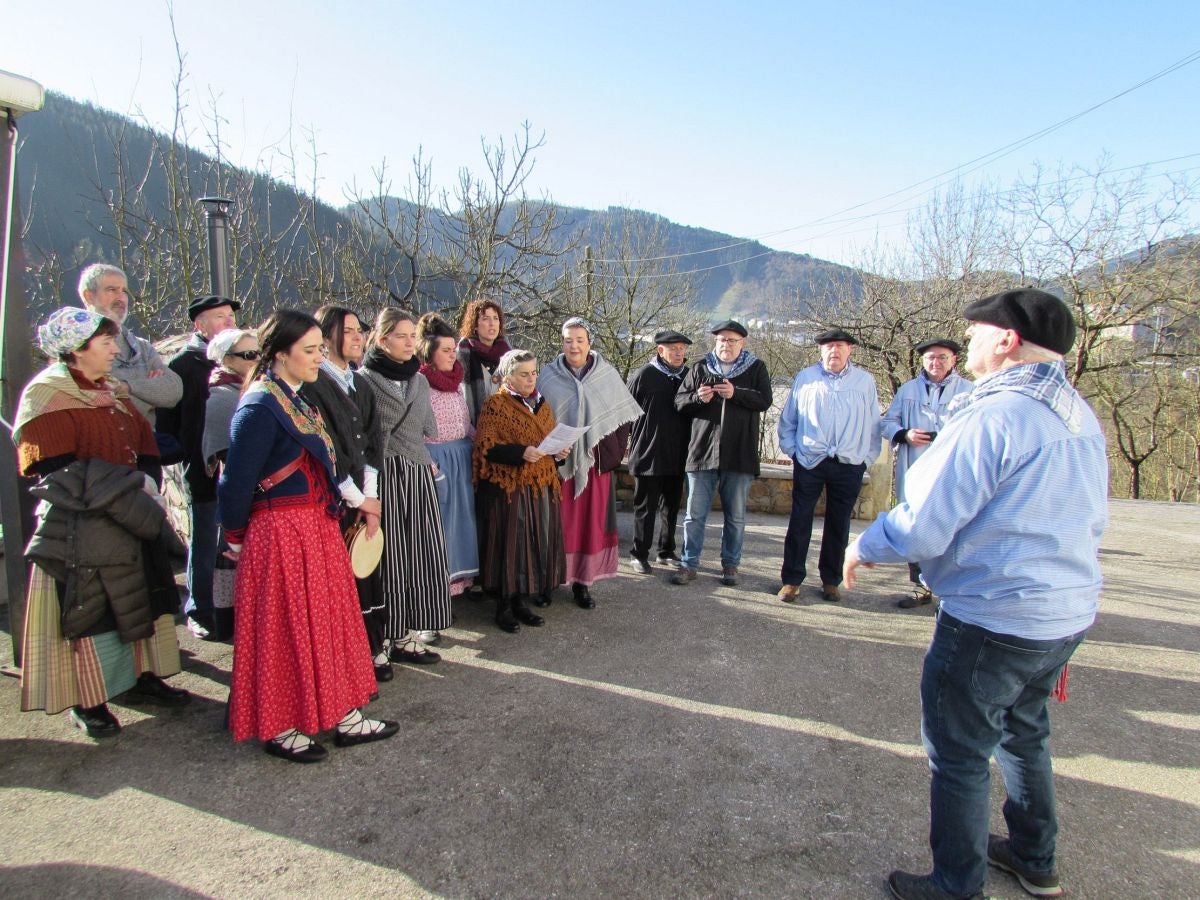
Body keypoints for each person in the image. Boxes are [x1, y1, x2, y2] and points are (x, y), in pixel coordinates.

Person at [844, 289, 1106, 900]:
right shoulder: (1076, 410)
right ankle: (1034, 856)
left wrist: (865, 546)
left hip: (997, 615)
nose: (968, 344)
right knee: (1023, 729)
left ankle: (956, 885)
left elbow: (926, 522)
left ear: (1007, 340)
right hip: (1063, 613)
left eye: (977, 332)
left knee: (959, 752)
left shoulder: (997, 415)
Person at [219, 309, 397, 763]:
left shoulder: (297, 398)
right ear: (280, 354)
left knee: (330, 625)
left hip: (315, 528)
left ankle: (343, 713)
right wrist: (237, 539)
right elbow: (236, 483)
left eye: (321, 348)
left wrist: (358, 501)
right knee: (287, 629)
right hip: (280, 533)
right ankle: (281, 725)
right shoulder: (260, 405)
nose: (320, 357)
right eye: (311, 350)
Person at [14, 307, 189, 739]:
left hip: (129, 511)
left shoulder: (110, 388)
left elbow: (144, 444)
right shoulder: (48, 394)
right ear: (76, 350)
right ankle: (88, 698)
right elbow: (51, 466)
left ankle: (142, 676)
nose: (115, 348)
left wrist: (145, 481)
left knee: (144, 593)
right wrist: (125, 487)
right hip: (82, 521)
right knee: (90, 608)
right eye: (106, 341)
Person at [299, 306, 391, 684]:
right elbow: (327, 448)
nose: (358, 337)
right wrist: (356, 497)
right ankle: (348, 662)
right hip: (333, 498)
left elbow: (373, 442)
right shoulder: (314, 384)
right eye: (348, 331)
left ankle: (374, 649)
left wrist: (370, 497)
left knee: (367, 572)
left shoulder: (361, 384)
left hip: (361, 495)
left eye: (359, 330)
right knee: (341, 586)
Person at [359, 308, 452, 665]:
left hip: (415, 472)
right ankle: (383, 638)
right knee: (389, 557)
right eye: (402, 336)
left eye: (413, 335)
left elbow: (429, 427)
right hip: (382, 475)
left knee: (420, 553)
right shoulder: (364, 380)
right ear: (382, 340)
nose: (410, 342)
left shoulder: (420, 380)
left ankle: (408, 634)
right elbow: (366, 435)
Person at [537, 317, 642, 608]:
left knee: (589, 526)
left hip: (594, 468)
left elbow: (623, 418)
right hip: (560, 468)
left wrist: (610, 454)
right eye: (568, 340)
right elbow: (538, 419)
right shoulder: (547, 376)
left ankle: (583, 584)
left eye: (579, 340)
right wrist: (552, 450)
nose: (573, 345)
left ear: (589, 343)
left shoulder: (606, 375)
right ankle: (548, 581)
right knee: (556, 525)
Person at [776, 328, 881, 604]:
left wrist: (865, 459)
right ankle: (791, 580)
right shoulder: (806, 378)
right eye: (829, 346)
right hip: (810, 461)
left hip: (848, 464)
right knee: (800, 520)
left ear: (850, 350)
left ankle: (830, 581)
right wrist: (793, 451)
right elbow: (788, 420)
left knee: (839, 523)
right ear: (821, 350)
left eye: (840, 346)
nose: (834, 350)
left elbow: (873, 425)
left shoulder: (864, 382)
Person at [157, 294, 239, 641]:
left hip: (234, 470)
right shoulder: (184, 364)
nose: (229, 322)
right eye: (219, 317)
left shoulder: (238, 362)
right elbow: (168, 421)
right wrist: (189, 450)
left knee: (229, 547)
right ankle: (199, 609)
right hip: (201, 470)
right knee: (204, 541)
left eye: (231, 317)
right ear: (199, 325)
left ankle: (227, 608)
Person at [670, 320, 771, 588]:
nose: (726, 344)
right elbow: (680, 402)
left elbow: (764, 400)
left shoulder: (756, 368)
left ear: (743, 343)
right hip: (702, 454)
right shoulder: (700, 368)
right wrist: (697, 398)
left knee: (735, 517)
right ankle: (688, 564)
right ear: (715, 342)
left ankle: (730, 565)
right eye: (722, 340)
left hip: (739, 457)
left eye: (732, 340)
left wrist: (736, 393)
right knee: (694, 515)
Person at [473, 349, 568, 632]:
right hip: (509, 488)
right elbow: (485, 447)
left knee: (533, 544)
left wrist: (559, 453)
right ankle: (503, 605)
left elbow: (548, 443)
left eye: (534, 372)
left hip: (539, 485)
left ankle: (521, 602)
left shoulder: (542, 405)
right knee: (509, 545)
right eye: (524, 374)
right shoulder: (495, 405)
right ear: (508, 377)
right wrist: (520, 452)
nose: (531, 378)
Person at [880, 338, 973, 609]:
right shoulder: (908, 390)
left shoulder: (969, 391)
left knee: (953, 528)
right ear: (922, 361)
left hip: (952, 470)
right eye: (931, 358)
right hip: (915, 466)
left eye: (942, 357)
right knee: (915, 527)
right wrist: (905, 434)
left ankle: (951, 589)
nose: (936, 363)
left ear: (953, 360)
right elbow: (888, 422)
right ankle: (921, 587)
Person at [198, 327, 261, 639]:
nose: (257, 359)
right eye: (248, 355)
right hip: (242, 491)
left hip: (260, 491)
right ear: (226, 360)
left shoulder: (252, 388)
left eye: (258, 352)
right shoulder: (221, 397)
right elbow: (227, 454)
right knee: (236, 559)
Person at [417, 314, 480, 601]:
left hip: (462, 459)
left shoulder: (456, 383)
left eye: (453, 349)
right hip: (437, 463)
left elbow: (464, 424)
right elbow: (412, 431)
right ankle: (435, 594)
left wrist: (483, 441)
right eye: (445, 350)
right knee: (440, 530)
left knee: (464, 525)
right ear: (429, 352)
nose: (452, 354)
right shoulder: (418, 383)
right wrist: (432, 468)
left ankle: (461, 585)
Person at [77, 263, 183, 427]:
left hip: (146, 445)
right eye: (112, 290)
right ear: (89, 296)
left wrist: (126, 387)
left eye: (124, 291)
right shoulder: (78, 347)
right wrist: (150, 392)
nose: (120, 297)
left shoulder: (142, 347)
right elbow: (95, 399)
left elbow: (174, 391)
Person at [625, 329, 693, 574]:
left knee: (671, 507)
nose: (678, 352)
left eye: (682, 348)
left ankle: (665, 551)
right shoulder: (644, 375)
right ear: (659, 350)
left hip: (678, 454)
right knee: (645, 508)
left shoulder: (688, 375)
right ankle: (639, 554)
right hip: (648, 453)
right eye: (673, 348)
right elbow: (627, 413)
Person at [456, 295, 512, 424]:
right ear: (475, 325)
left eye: (495, 318)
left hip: (506, 426)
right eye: (486, 319)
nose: (492, 323)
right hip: (474, 427)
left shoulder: (508, 354)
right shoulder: (464, 353)